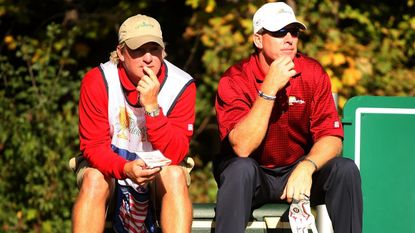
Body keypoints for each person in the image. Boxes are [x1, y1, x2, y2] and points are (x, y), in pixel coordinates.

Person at [213, 2, 363, 233]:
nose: (289, 38)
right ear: (258, 40)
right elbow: (242, 147)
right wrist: (269, 90)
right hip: (252, 173)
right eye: (279, 32)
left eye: (294, 32)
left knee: (345, 169)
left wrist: (307, 166)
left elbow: (332, 137)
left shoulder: (313, 72)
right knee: (240, 169)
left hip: (297, 171)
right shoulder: (234, 79)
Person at [71, 14, 195, 233]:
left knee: (175, 176)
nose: (148, 58)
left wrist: (153, 108)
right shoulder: (98, 81)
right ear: (120, 52)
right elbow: (93, 146)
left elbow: (177, 153)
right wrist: (125, 168)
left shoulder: (182, 84)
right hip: (109, 165)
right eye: (138, 50)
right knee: (93, 179)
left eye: (154, 49)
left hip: (161, 168)